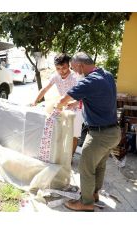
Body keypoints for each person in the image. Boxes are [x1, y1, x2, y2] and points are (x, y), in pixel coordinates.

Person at [56, 52, 121, 212]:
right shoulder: (106, 75)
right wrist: (74, 103)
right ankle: (94, 194)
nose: (74, 71)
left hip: (99, 135)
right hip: (114, 132)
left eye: (73, 68)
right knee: (99, 165)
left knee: (85, 167)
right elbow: (94, 96)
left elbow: (62, 100)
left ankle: (86, 203)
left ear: (80, 66)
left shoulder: (89, 81)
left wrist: (58, 106)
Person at [31, 53, 84, 156]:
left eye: (64, 67)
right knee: (60, 132)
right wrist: (35, 101)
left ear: (68, 65)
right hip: (63, 107)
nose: (61, 71)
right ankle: (59, 155)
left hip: (77, 108)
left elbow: (83, 95)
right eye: (58, 68)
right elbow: (44, 89)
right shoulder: (56, 76)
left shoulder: (76, 77)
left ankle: (70, 159)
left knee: (74, 135)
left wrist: (74, 103)